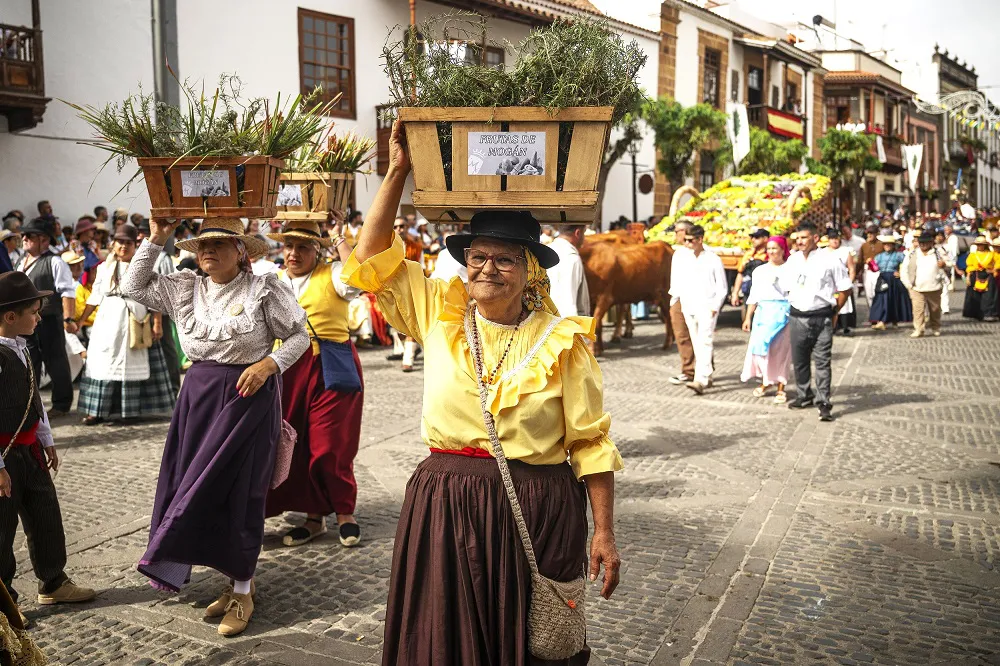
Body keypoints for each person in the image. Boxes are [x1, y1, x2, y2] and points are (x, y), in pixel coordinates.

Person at [345, 122, 622, 664]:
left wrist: (605, 533)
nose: (487, 268)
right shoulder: (439, 313)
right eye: (477, 257)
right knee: (445, 637)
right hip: (446, 503)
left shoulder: (563, 343)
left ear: (529, 274)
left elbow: (591, 445)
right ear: (464, 263)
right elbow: (368, 258)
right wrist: (398, 170)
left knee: (532, 641)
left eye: (504, 259)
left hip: (537, 507)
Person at [122, 217, 309, 637]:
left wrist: (269, 364)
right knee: (193, 487)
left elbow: (300, 337)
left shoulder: (264, 287)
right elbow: (133, 288)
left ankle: (243, 589)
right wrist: (155, 237)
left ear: (242, 250)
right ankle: (231, 578)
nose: (208, 250)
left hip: (248, 398)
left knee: (241, 491)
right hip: (198, 400)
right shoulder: (185, 287)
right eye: (203, 243)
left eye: (220, 244)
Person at [0, 272, 97, 625]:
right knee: (2, 528)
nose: (39, 318)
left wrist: (46, 440)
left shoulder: (21, 346)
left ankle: (53, 581)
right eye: (33, 312)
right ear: (10, 316)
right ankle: (3, 600)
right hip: (4, 458)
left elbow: (33, 401)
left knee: (45, 516)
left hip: (30, 453)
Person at [263, 218, 365, 548]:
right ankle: (313, 518)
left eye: (303, 247)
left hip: (330, 366)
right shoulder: (272, 282)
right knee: (296, 444)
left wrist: (338, 236)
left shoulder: (333, 274)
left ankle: (344, 512)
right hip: (288, 370)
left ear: (317, 251)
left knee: (329, 445)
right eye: (289, 246)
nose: (294, 253)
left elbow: (358, 277)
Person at [76, 225, 176, 425]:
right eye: (120, 242)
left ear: (135, 245)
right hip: (107, 320)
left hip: (133, 318)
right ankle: (96, 411)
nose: (123, 246)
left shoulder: (144, 266)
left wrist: (157, 323)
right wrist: (79, 321)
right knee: (102, 363)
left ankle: (129, 410)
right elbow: (95, 296)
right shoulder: (104, 267)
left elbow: (153, 297)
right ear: (113, 244)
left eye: (128, 243)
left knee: (132, 361)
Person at [781, 222, 851, 422]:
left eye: (804, 237)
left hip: (821, 317)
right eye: (797, 238)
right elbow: (784, 285)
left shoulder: (830, 260)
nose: (799, 241)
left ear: (815, 238)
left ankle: (824, 402)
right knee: (800, 359)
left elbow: (845, 288)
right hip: (797, 316)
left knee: (822, 361)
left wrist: (835, 310)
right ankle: (804, 395)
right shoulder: (793, 260)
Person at [14, 219, 76, 416]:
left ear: (43, 239)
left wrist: (68, 319)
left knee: (55, 359)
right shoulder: (19, 262)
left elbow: (67, 292)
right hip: (24, 322)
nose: (24, 238)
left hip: (48, 319)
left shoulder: (55, 262)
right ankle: (31, 403)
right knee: (29, 360)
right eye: (24, 235)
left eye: (29, 235)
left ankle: (61, 403)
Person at [670, 225, 727, 395]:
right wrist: (676, 300)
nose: (686, 244)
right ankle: (706, 375)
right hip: (688, 305)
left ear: (700, 239)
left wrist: (714, 307)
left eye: (690, 240)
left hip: (707, 306)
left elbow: (722, 287)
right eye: (685, 240)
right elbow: (678, 281)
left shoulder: (713, 259)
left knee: (705, 340)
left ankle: (700, 379)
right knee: (696, 342)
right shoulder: (682, 257)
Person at [741, 236, 792, 404]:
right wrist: (748, 317)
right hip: (763, 314)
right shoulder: (760, 271)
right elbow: (754, 295)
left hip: (783, 313)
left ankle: (781, 386)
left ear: (783, 250)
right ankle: (766, 381)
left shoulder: (791, 269)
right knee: (762, 350)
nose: (771, 252)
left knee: (781, 352)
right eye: (769, 248)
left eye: (775, 248)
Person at [901, 230, 950, 338]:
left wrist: (944, 264)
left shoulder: (938, 252)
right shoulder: (912, 253)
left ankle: (935, 327)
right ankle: (919, 329)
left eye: (925, 243)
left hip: (934, 287)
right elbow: (904, 269)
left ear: (931, 243)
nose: (923, 245)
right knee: (918, 310)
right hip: (916, 287)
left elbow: (950, 263)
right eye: (921, 243)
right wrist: (908, 284)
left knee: (935, 309)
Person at [667, 221, 696, 385]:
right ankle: (688, 369)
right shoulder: (678, 253)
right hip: (678, 297)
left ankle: (701, 369)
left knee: (698, 334)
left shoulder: (701, 253)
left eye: (677, 231)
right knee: (681, 334)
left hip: (695, 297)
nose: (676, 234)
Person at [869, 234, 912, 330]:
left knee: (894, 300)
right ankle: (881, 320)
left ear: (893, 245)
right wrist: (870, 263)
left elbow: (907, 264)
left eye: (889, 244)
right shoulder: (879, 256)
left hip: (894, 280)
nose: (887, 246)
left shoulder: (899, 255)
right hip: (883, 279)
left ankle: (894, 320)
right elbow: (875, 268)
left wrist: (901, 273)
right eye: (886, 244)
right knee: (881, 300)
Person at [547, 225, 590, 317]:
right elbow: (568, 303)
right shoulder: (572, 258)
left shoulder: (546, 251)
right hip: (564, 325)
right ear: (577, 233)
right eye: (584, 233)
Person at [825, 229, 857, 336]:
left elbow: (851, 269)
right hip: (829, 283)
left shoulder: (845, 251)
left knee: (844, 305)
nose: (835, 241)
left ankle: (845, 326)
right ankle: (832, 326)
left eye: (836, 239)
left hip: (842, 281)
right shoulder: (823, 252)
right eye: (832, 239)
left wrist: (850, 282)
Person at [731, 228, 769, 308]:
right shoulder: (749, 254)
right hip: (748, 293)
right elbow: (741, 274)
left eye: (757, 237)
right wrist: (735, 293)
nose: (753, 240)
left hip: (766, 296)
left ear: (765, 239)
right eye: (752, 237)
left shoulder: (770, 254)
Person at [962, 235, 998, 321]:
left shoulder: (991, 254)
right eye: (978, 244)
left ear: (985, 245)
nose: (979, 246)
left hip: (988, 275)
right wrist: (967, 277)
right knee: (974, 295)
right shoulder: (973, 255)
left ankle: (988, 313)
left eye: (981, 244)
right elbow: (969, 266)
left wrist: (994, 270)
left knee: (989, 295)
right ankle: (975, 314)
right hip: (975, 275)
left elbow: (998, 262)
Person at [933, 231, 952, 315]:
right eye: (938, 236)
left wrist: (945, 264)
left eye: (941, 236)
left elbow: (951, 260)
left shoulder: (946, 247)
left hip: (944, 271)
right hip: (933, 272)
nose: (939, 238)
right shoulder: (932, 248)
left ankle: (945, 308)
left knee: (945, 290)